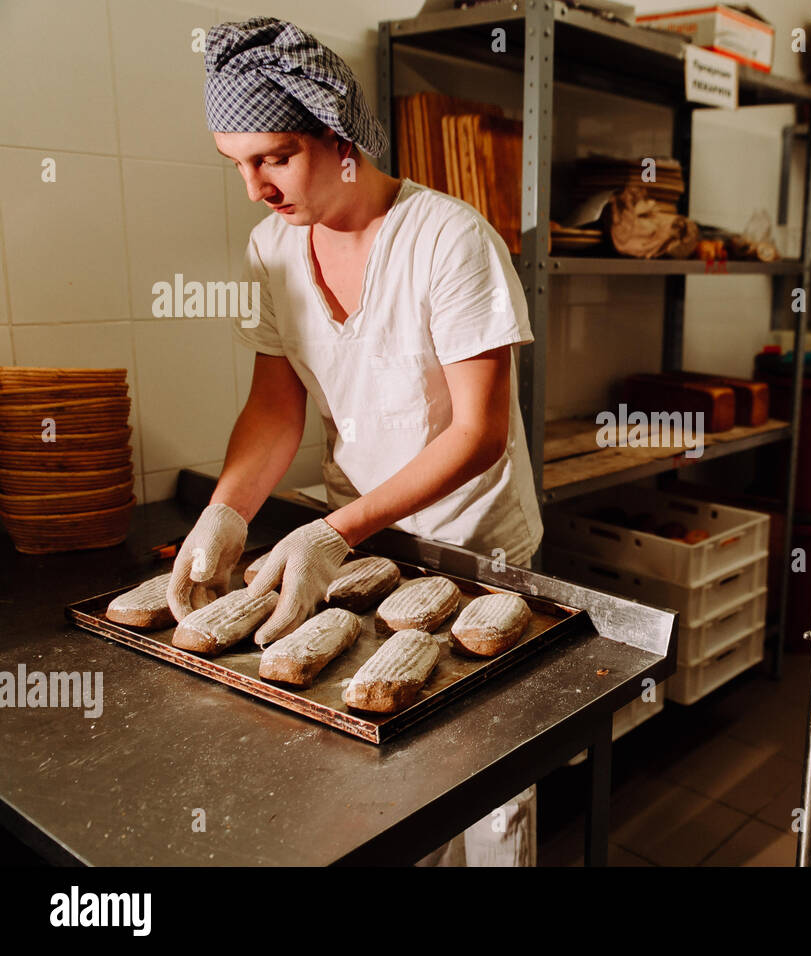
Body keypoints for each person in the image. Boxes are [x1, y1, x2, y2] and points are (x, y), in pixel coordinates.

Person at [166, 17, 542, 866]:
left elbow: (479, 432)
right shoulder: (273, 248)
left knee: (479, 784)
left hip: (471, 546)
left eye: (273, 158)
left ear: (338, 137)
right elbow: (274, 406)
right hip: (361, 550)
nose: (254, 188)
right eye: (237, 165)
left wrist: (334, 531)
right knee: (383, 769)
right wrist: (227, 511)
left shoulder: (447, 238)